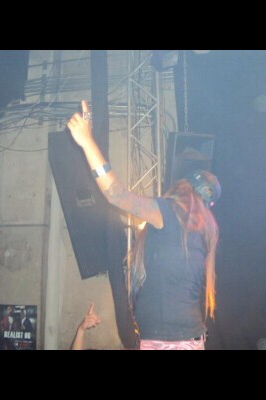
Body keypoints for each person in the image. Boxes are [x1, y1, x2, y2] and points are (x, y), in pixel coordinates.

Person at [67, 101, 220, 350]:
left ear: (184, 188)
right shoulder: (207, 232)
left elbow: (117, 195)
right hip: (183, 339)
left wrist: (88, 143)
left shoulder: (169, 211)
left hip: (166, 341)